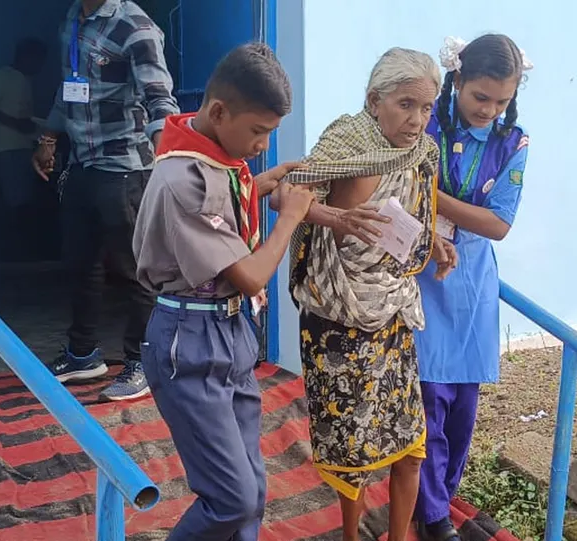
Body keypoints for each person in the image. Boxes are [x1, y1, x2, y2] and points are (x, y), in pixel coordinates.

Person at [134, 42, 389, 541]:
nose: (262, 146)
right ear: (219, 111)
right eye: (257, 132)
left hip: (229, 332)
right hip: (189, 342)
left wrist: (267, 182)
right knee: (231, 499)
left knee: (252, 489)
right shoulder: (180, 179)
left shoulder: (214, 156)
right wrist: (291, 216)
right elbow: (250, 274)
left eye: (269, 134)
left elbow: (234, 191)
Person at [285, 47, 458, 541]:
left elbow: (416, 215)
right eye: (406, 104)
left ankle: (400, 536)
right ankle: (351, 536)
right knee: (352, 449)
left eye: (426, 109)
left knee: (409, 440)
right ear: (373, 100)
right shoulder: (345, 144)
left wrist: (436, 240)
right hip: (338, 319)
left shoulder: (421, 153)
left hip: (394, 312)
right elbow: (287, 194)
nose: (417, 120)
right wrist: (334, 217)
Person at [413, 34, 532, 541]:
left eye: (502, 101)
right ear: (457, 79)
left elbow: (499, 223)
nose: (490, 110)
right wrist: (438, 204)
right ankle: (434, 514)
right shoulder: (425, 126)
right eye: (481, 97)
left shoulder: (514, 141)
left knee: (463, 408)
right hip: (421, 273)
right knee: (427, 400)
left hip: (474, 284)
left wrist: (430, 195)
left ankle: (443, 497)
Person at [32, 0, 180, 401]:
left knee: (136, 270)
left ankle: (141, 362)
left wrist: (166, 158)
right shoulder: (72, 19)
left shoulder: (135, 26)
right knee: (82, 264)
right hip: (84, 163)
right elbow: (68, 88)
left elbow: (158, 96)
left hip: (127, 167)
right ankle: (83, 355)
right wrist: (48, 138)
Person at [0, 38, 48, 258]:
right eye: (37, 60)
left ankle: (25, 250)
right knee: (14, 203)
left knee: (25, 200)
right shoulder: (3, 75)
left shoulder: (24, 80)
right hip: (7, 147)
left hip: (25, 147)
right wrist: (16, 123)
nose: (40, 66)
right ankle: (13, 252)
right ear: (25, 57)